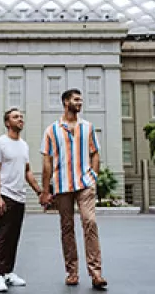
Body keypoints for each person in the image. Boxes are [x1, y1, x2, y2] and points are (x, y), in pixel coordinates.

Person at [39, 88, 107, 289]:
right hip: (62, 186)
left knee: (90, 222)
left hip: (85, 184)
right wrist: (45, 190)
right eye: (76, 99)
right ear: (65, 102)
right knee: (67, 228)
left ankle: (96, 274)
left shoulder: (88, 127)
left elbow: (95, 153)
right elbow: (47, 163)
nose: (80, 103)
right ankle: (72, 272)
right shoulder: (51, 130)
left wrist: (93, 176)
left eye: (81, 100)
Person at [0, 107, 43, 292]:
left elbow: (27, 171)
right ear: (7, 122)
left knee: (14, 236)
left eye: (21, 117)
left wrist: (39, 191)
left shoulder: (24, 145)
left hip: (20, 197)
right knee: (3, 237)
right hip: (6, 195)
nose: (20, 119)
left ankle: (8, 272)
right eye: (15, 117)